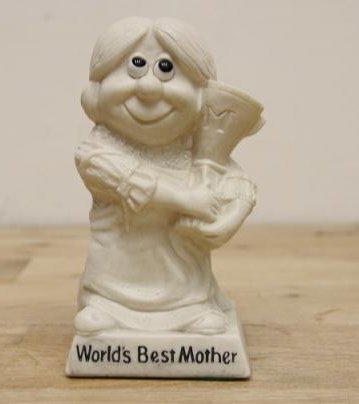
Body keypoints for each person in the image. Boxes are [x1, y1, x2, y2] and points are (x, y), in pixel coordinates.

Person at [74, 17, 256, 335]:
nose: (149, 88)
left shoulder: (197, 149)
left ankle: (193, 309)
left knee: (203, 318)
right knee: (98, 317)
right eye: (136, 66)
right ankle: (104, 306)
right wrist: (188, 200)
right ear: (98, 88)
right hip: (114, 284)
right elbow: (127, 179)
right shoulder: (96, 150)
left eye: (166, 69)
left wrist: (229, 217)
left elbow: (236, 184)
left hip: (185, 288)